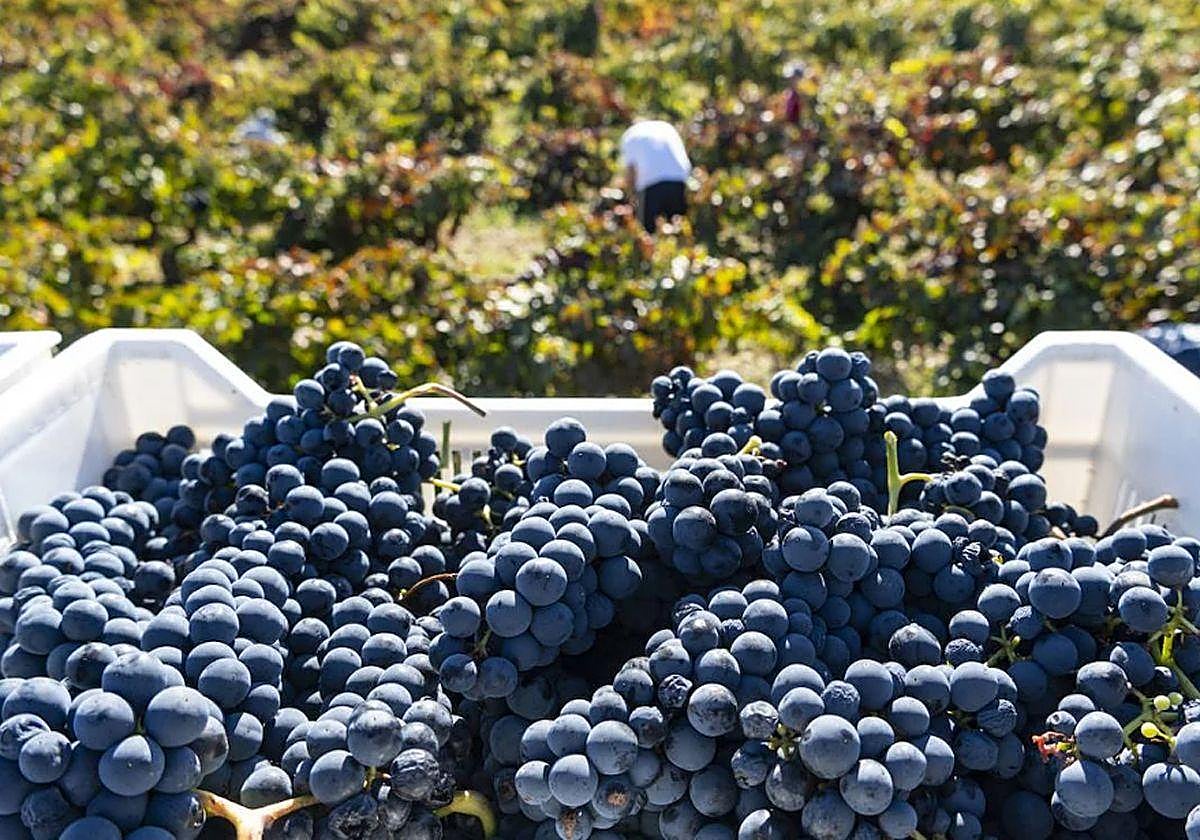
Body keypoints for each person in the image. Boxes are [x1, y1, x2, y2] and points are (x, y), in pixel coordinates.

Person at [619, 119, 691, 232]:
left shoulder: (629, 135)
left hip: (651, 185)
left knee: (647, 232)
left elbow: (631, 172)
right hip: (679, 181)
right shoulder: (666, 127)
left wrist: (630, 198)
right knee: (678, 227)